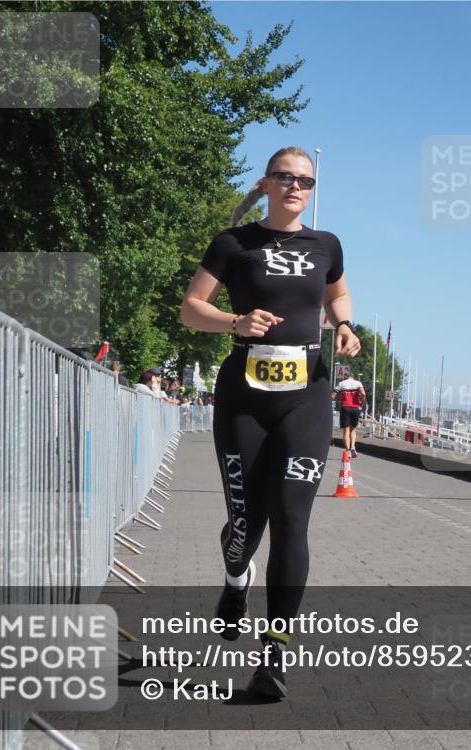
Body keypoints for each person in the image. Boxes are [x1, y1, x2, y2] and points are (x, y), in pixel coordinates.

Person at [179, 146, 360, 700]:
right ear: (268, 182)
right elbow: (190, 309)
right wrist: (237, 320)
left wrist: (346, 325)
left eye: (305, 180)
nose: (295, 187)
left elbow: (339, 293)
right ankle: (236, 583)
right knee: (244, 526)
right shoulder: (233, 244)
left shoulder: (326, 245)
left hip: (306, 395)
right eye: (285, 177)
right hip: (244, 397)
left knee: (291, 521)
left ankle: (274, 655)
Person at [332, 369, 366, 457]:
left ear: (345, 376)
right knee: (353, 429)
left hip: (345, 407)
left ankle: (348, 450)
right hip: (355, 408)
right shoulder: (358, 383)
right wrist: (361, 405)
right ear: (353, 376)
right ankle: (353, 447)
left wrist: (337, 399)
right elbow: (363, 394)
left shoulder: (341, 383)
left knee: (346, 431)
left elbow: (332, 396)